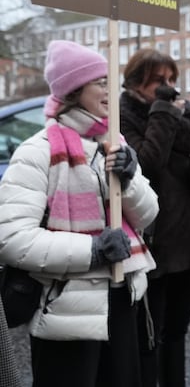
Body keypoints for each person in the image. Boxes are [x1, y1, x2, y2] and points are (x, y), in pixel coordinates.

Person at [0, 40, 158, 387]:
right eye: (100, 81)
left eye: (109, 80)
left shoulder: (116, 143)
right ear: (74, 89)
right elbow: (12, 238)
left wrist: (130, 179)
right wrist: (92, 252)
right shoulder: (36, 152)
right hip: (65, 312)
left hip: (123, 298)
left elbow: (147, 216)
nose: (109, 89)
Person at [119, 48, 190, 387]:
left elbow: (188, 156)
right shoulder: (125, 114)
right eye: (158, 80)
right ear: (135, 82)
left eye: (172, 79)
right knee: (150, 336)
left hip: (186, 240)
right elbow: (147, 164)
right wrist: (162, 111)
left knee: (177, 333)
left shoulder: (178, 113)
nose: (168, 87)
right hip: (153, 244)